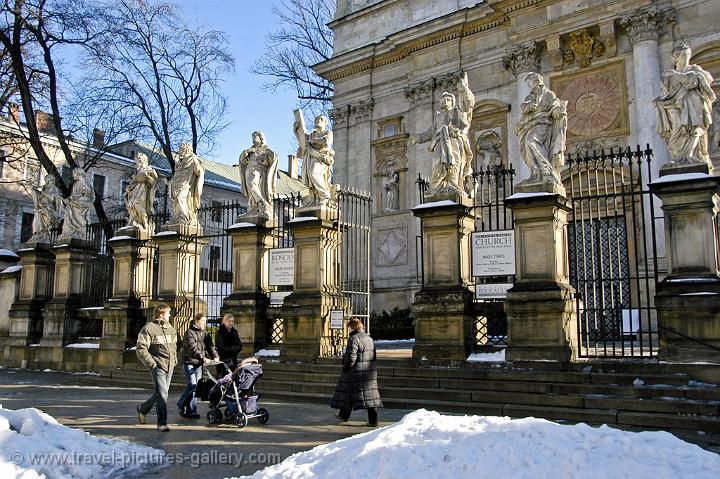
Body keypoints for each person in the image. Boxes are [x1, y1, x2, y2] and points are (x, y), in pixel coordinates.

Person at [409, 72, 475, 199]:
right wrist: (417, 138)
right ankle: (436, 188)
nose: (444, 102)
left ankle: (454, 185)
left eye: (447, 100)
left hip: (454, 141)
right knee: (437, 164)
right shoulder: (438, 117)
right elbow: (430, 132)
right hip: (439, 142)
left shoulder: (457, 111)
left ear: (452, 102)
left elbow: (467, 112)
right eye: (442, 100)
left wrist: (464, 89)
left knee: (454, 164)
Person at [655, 43, 716, 167]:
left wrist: (679, 76)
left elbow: (707, 79)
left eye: (688, 54)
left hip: (693, 104)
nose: (687, 57)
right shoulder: (668, 75)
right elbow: (667, 93)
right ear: (675, 57)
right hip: (676, 107)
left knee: (694, 130)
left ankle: (690, 156)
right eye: (684, 54)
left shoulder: (694, 69)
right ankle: (679, 159)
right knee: (677, 133)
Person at [514, 72, 567, 185]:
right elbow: (523, 108)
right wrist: (531, 105)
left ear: (537, 81)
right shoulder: (530, 97)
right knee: (527, 145)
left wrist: (559, 111)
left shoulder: (548, 95)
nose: (529, 86)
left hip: (543, 124)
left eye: (530, 82)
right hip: (530, 124)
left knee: (531, 141)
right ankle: (536, 174)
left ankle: (546, 170)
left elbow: (555, 108)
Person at [330, 318, 382, 427]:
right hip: (368, 371)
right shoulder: (369, 338)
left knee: (350, 392)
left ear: (353, 327)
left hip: (355, 372)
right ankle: (347, 415)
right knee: (369, 396)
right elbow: (374, 355)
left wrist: (346, 367)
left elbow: (351, 356)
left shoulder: (353, 339)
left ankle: (346, 415)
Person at [136, 303, 177, 432]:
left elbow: (174, 347)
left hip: (169, 366)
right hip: (158, 365)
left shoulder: (171, 329)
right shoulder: (149, 328)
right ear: (161, 314)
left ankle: (143, 409)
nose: (170, 315)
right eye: (168, 313)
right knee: (163, 394)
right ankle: (162, 423)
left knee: (161, 394)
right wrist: (152, 363)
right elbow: (141, 349)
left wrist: (174, 360)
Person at [177, 313, 219, 419]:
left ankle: (191, 411)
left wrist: (215, 356)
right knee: (192, 385)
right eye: (202, 321)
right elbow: (192, 348)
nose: (205, 323)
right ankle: (181, 403)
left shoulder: (205, 333)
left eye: (205, 321)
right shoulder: (189, 333)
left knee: (197, 387)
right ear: (196, 321)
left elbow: (210, 346)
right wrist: (203, 358)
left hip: (198, 363)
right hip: (188, 361)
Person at [293, 110, 335, 207]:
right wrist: (295, 132)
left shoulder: (328, 132)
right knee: (308, 178)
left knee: (314, 173)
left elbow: (326, 141)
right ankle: (314, 198)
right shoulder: (312, 134)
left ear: (325, 122)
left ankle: (324, 195)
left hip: (321, 158)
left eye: (321, 119)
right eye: (316, 119)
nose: (318, 121)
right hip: (310, 158)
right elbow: (303, 142)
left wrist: (313, 141)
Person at [239, 131, 279, 219]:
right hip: (249, 170)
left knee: (252, 183)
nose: (253, 139)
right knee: (250, 189)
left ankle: (262, 203)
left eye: (255, 137)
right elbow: (243, 162)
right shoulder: (250, 150)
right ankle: (255, 207)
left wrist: (263, 158)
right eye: (252, 138)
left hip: (258, 170)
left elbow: (272, 157)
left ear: (261, 138)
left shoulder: (265, 149)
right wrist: (244, 155)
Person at [170, 142, 204, 225]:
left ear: (186, 150)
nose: (179, 151)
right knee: (176, 201)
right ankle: (178, 217)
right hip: (177, 185)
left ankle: (186, 217)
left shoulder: (193, 159)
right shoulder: (179, 163)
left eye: (181, 149)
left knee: (180, 198)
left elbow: (198, 172)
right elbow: (176, 175)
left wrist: (196, 163)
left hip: (187, 185)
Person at [58, 167, 95, 241]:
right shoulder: (79, 183)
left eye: (73, 174)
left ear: (78, 173)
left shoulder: (80, 183)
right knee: (73, 219)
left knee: (75, 219)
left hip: (77, 206)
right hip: (76, 205)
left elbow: (85, 194)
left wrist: (70, 199)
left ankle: (76, 232)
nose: (72, 175)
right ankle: (75, 232)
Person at [124, 152, 158, 230]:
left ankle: (144, 221)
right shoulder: (137, 170)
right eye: (136, 160)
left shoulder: (148, 169)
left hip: (143, 189)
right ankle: (136, 221)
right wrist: (129, 187)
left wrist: (147, 176)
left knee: (138, 204)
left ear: (142, 160)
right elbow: (134, 182)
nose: (137, 162)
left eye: (138, 160)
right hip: (135, 190)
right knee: (132, 205)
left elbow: (153, 182)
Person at [29, 175, 63, 243]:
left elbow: (53, 198)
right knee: (37, 222)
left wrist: (43, 192)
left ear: (53, 182)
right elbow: (39, 197)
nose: (47, 182)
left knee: (48, 225)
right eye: (46, 181)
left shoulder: (55, 189)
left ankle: (46, 237)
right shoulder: (45, 188)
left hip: (49, 209)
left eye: (48, 181)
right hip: (41, 208)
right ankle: (39, 235)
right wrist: (35, 191)